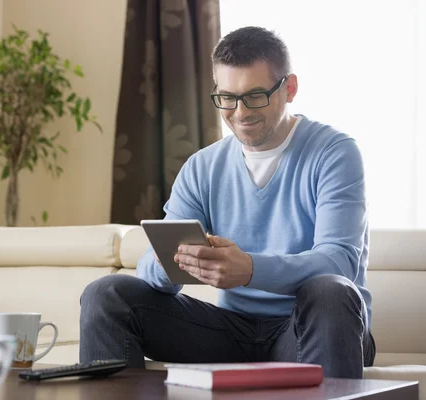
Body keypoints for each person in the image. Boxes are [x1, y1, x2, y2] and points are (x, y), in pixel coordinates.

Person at [79, 26, 375, 379]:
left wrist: (248, 269)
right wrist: (174, 262)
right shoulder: (202, 167)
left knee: (330, 291)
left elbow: (338, 262)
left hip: (312, 327)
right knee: (106, 294)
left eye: (255, 96)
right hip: (230, 332)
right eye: (227, 97)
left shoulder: (334, 153)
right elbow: (154, 273)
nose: (240, 112)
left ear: (290, 88)